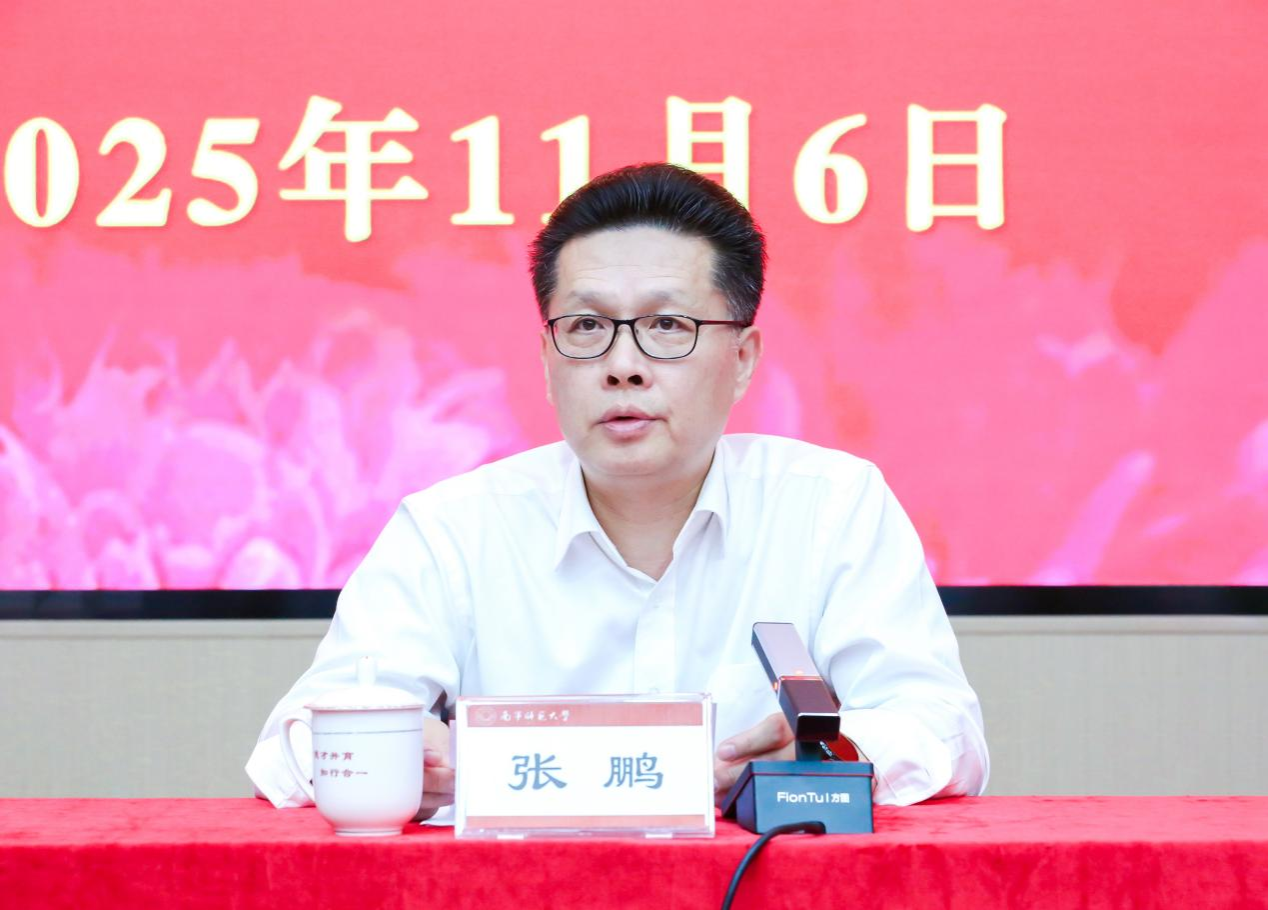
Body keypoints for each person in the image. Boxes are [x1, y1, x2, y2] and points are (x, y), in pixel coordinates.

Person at [246, 163, 989, 814]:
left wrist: (833, 750)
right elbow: (290, 749)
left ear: (742, 359)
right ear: (546, 360)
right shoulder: (451, 530)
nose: (623, 365)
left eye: (667, 325)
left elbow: (942, 729)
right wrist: (390, 753)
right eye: (586, 327)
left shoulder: (832, 507)